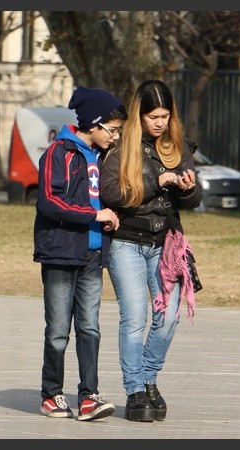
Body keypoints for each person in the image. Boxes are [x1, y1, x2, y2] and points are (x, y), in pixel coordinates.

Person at [99, 79, 203, 422]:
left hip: (165, 244)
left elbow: (194, 198)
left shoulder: (176, 146)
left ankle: (147, 379)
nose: (159, 123)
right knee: (134, 319)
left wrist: (187, 189)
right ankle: (136, 391)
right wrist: (155, 182)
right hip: (127, 241)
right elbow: (111, 194)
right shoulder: (121, 148)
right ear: (139, 116)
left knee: (169, 316)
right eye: (152, 117)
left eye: (164, 116)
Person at [34, 86, 126, 421]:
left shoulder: (102, 158)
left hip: (91, 256)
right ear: (94, 124)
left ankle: (89, 396)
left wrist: (110, 216)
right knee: (59, 329)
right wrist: (93, 215)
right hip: (60, 254)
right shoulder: (59, 153)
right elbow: (48, 200)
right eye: (112, 130)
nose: (115, 137)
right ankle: (52, 394)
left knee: (90, 328)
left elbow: (104, 199)